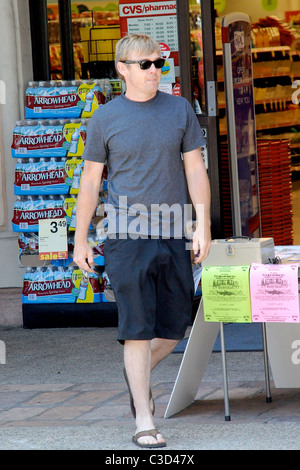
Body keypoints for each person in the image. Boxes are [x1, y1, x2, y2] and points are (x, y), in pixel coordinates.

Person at [73, 33, 211, 448]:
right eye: (146, 64)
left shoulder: (180, 110)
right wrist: (81, 240)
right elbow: (91, 182)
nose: (155, 71)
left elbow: (194, 171)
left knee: (171, 330)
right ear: (123, 69)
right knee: (136, 329)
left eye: (160, 62)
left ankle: (136, 378)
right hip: (125, 235)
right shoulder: (105, 118)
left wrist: (202, 223)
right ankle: (144, 418)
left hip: (173, 232)